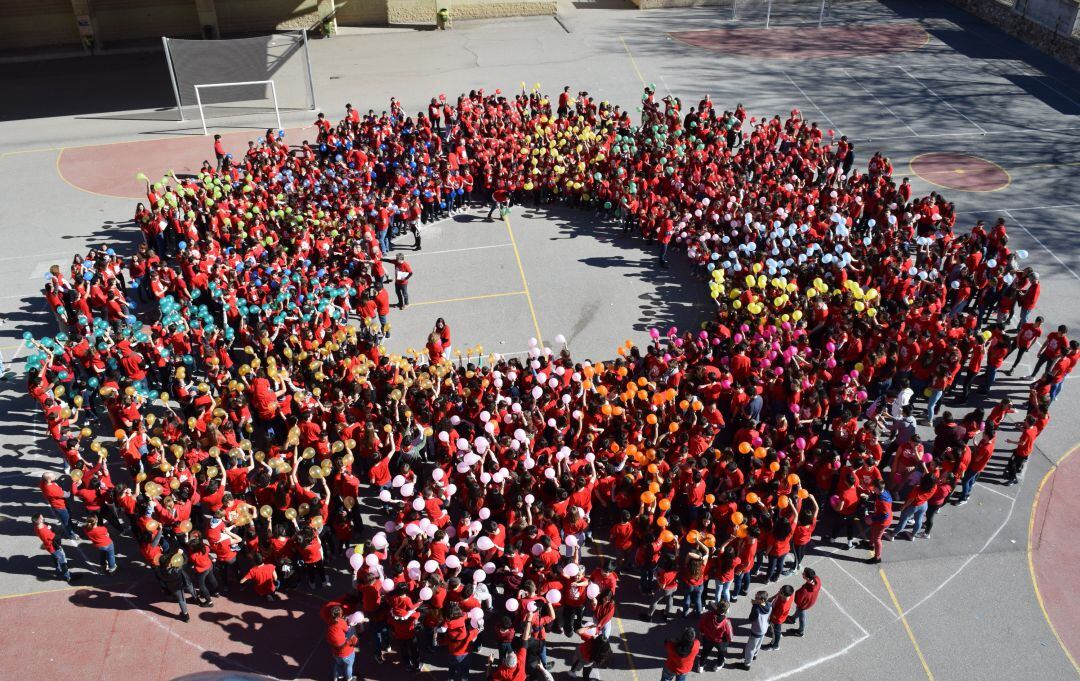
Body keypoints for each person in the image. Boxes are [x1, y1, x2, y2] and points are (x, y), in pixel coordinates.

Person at [737, 590, 773, 671]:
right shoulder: (769, 604)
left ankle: (747, 664)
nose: (755, 598)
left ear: (762, 600)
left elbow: (751, 618)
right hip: (765, 627)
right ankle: (755, 655)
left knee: (750, 648)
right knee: (758, 643)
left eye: (757, 597)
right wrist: (756, 602)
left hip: (757, 630)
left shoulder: (756, 608)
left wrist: (754, 605)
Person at [32, 513, 72, 581]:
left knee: (55, 557)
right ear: (38, 520)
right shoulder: (43, 531)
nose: (43, 518)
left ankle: (58, 569)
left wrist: (48, 528)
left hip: (49, 546)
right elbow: (55, 538)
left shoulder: (37, 526)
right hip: (54, 546)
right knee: (63, 560)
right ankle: (67, 576)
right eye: (41, 518)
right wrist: (61, 535)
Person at [695, 601, 731, 672]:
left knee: (705, 652)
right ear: (726, 611)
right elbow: (729, 634)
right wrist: (727, 640)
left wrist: (702, 632)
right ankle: (718, 665)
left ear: (716, 607)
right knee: (721, 653)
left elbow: (702, 624)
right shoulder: (726, 622)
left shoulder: (707, 615)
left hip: (708, 638)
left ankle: (701, 666)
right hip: (720, 641)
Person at [325, 604, 359, 681]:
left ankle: (337, 677)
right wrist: (351, 625)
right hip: (346, 652)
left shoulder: (330, 620)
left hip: (335, 652)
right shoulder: (341, 622)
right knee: (348, 666)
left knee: (338, 664)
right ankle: (349, 678)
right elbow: (347, 630)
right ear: (340, 614)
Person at [788, 568, 821, 636]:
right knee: (799, 611)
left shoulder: (805, 590)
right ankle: (793, 618)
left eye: (803, 574)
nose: (802, 574)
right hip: (811, 601)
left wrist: (798, 602)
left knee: (801, 616)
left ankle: (800, 631)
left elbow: (798, 601)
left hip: (804, 604)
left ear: (808, 578)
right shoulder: (817, 579)